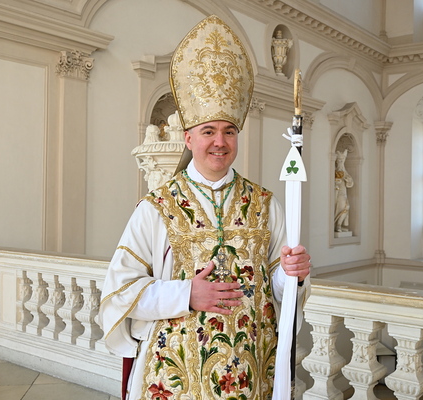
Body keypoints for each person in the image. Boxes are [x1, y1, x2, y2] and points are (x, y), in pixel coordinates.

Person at [99, 15, 311, 400]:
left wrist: (290, 274)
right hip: (175, 377)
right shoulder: (156, 208)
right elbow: (120, 291)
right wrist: (186, 294)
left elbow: (278, 290)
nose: (220, 142)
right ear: (188, 138)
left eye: (229, 131)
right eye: (208, 131)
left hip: (252, 373)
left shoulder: (265, 206)